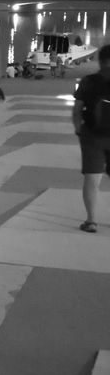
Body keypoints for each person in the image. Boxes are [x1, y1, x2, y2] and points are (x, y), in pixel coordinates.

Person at [72, 44, 110, 234]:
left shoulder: (89, 81)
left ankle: (92, 221)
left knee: (92, 180)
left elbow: (77, 110)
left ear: (100, 61)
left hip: (93, 135)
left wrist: (79, 130)